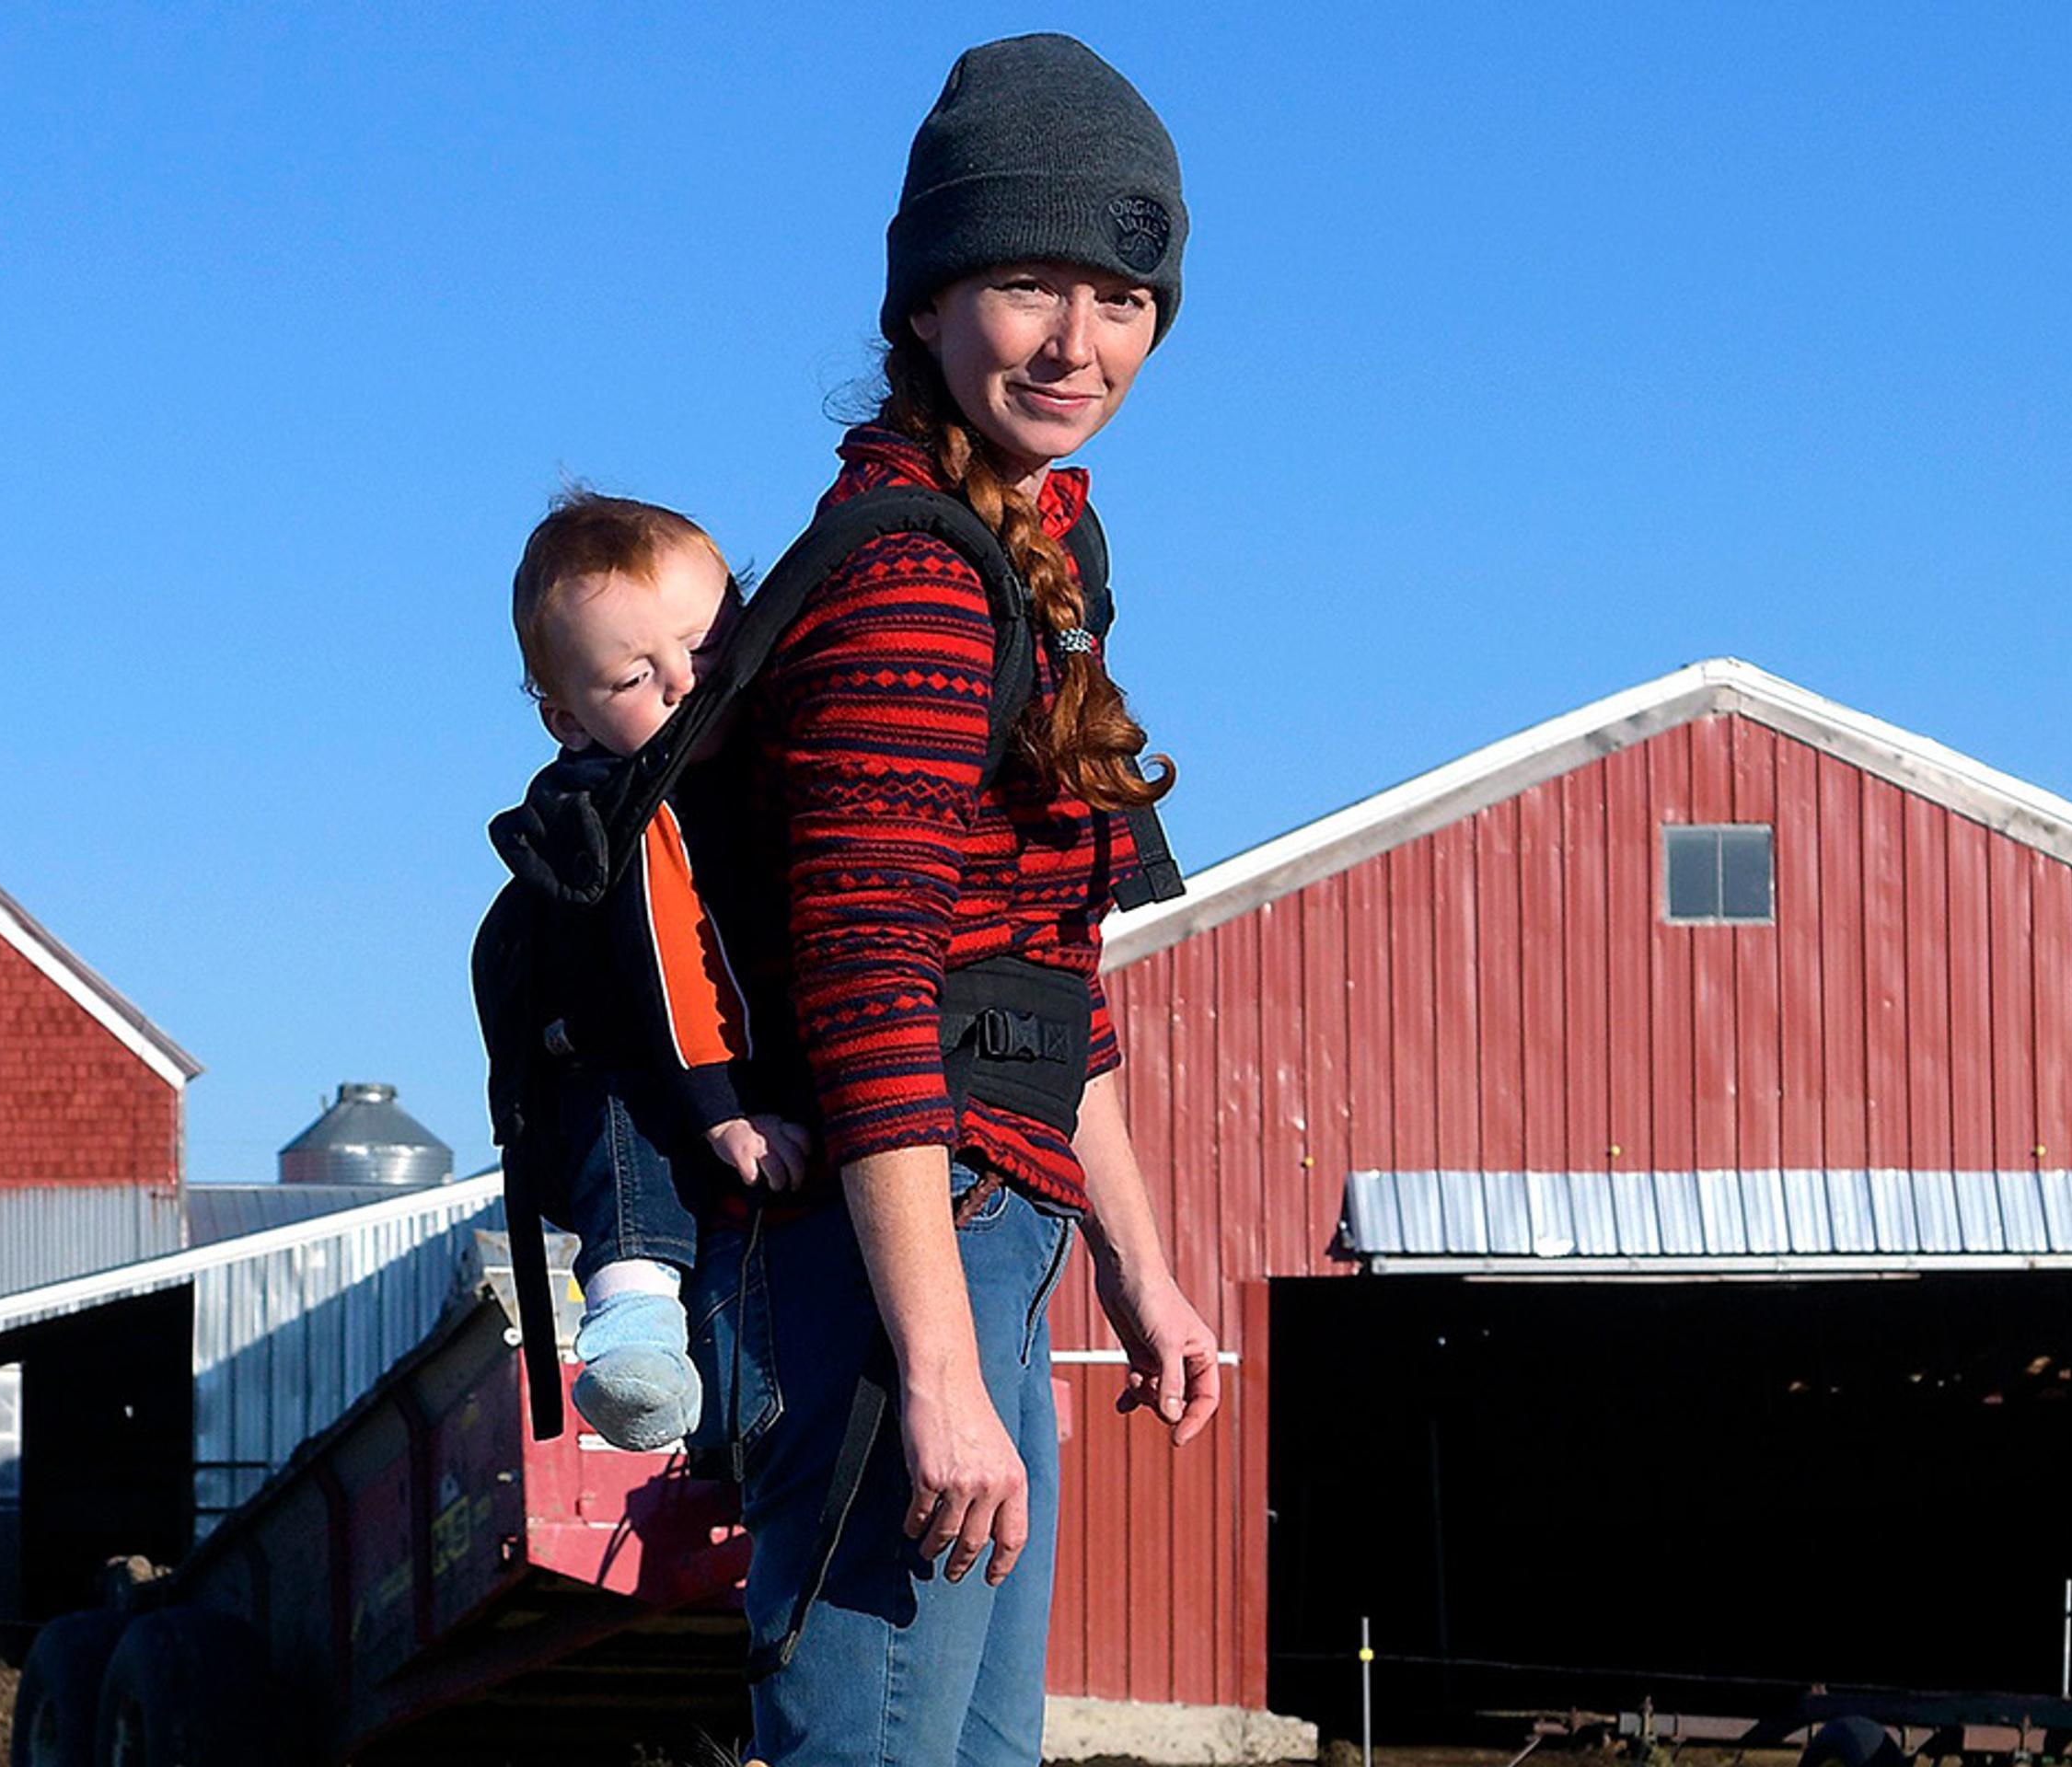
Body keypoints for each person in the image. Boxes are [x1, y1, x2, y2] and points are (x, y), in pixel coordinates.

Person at [708, 32, 1222, 1764]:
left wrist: (1140, 1272)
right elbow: (868, 985)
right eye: (1024, 283)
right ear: (925, 304)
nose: (1078, 344)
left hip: (996, 1244)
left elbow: (1037, 973)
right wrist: (933, 1370)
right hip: (893, 1275)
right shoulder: (921, 576)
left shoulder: (1042, 560)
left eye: (1121, 295)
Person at [504, 490, 816, 1449]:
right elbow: (673, 955)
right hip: (634, 1058)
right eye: (636, 675)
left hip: (720, 1053)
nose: (685, 682)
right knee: (623, 1127)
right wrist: (722, 1105)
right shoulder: (631, 810)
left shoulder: (757, 762)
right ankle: (634, 1332)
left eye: (707, 647)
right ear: (569, 720)